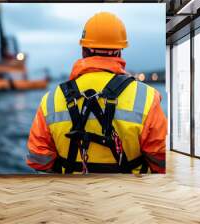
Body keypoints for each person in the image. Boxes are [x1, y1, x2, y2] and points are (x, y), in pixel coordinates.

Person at [26, 12, 167, 174]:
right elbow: (161, 160)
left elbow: (37, 158)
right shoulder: (147, 97)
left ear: (84, 50)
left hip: (71, 195)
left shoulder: (50, 100)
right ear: (120, 51)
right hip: (128, 196)